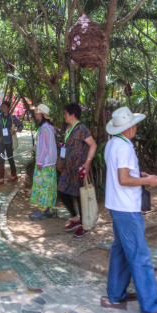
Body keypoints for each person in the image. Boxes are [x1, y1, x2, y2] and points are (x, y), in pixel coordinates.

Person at [103, 107, 157, 313]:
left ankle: (116, 293)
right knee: (139, 255)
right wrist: (147, 180)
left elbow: (122, 173)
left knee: (120, 249)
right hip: (127, 207)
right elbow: (124, 179)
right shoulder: (124, 147)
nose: (136, 127)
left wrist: (140, 174)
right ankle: (150, 306)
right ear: (129, 128)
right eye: (134, 124)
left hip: (116, 205)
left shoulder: (112, 144)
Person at [57, 102, 97, 238]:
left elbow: (93, 145)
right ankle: (75, 218)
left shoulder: (82, 128)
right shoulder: (69, 129)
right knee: (61, 191)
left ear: (72, 114)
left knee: (81, 196)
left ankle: (83, 225)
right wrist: (61, 161)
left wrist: (87, 163)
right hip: (68, 169)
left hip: (80, 169)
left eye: (65, 113)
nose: (64, 116)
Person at [28, 104, 58, 220]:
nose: (35, 114)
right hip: (49, 163)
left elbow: (44, 148)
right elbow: (45, 145)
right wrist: (36, 147)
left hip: (44, 163)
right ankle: (50, 209)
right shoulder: (48, 127)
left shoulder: (44, 129)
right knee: (50, 185)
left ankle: (40, 210)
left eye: (37, 112)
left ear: (41, 114)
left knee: (40, 185)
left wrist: (39, 161)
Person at [0, 100, 20, 184]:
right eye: (2, 107)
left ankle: (14, 176)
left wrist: (15, 131)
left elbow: (21, 125)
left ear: (8, 108)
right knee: (1, 159)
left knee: (10, 159)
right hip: (0, 141)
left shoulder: (12, 117)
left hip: (9, 141)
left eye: (5, 107)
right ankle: (1, 179)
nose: (2, 108)